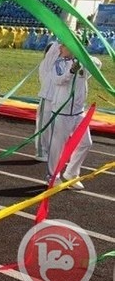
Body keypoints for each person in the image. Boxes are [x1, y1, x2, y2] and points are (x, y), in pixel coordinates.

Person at [46, 43, 100, 189]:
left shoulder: (83, 61)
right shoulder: (57, 63)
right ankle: (53, 177)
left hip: (78, 111)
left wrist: (82, 54)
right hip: (61, 112)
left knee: (85, 143)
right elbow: (58, 80)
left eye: (63, 45)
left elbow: (97, 65)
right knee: (58, 146)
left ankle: (71, 173)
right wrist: (70, 71)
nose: (59, 48)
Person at [35, 41, 60, 162]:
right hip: (47, 98)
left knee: (54, 127)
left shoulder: (60, 64)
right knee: (43, 127)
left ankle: (50, 150)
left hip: (58, 100)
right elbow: (54, 49)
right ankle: (40, 151)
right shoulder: (46, 64)